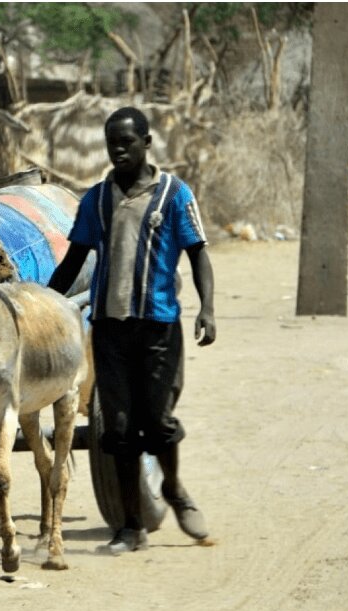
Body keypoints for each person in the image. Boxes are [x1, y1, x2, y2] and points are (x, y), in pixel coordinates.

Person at [48, 106, 216, 554]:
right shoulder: (97, 199)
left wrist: (207, 309)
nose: (119, 150)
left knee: (156, 421)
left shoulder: (174, 195)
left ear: (147, 142)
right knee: (118, 428)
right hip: (109, 329)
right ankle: (130, 526)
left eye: (127, 141)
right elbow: (74, 259)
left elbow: (198, 253)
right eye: (111, 143)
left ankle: (176, 491)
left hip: (159, 326)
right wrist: (41, 300)